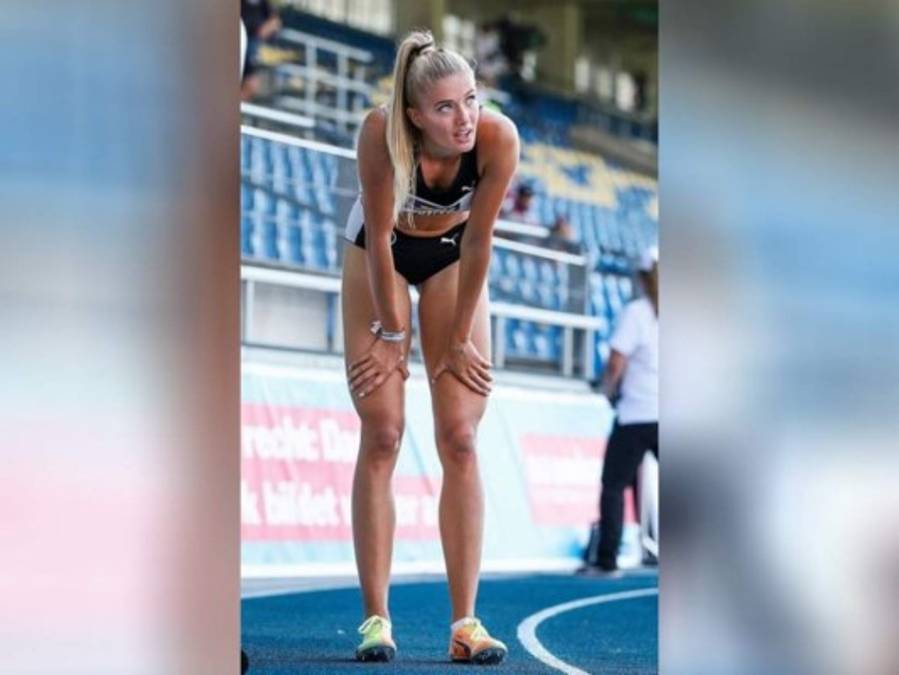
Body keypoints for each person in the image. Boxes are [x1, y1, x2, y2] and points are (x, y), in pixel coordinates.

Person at [341, 30, 519, 665]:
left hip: (451, 260)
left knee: (461, 437)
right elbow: (380, 240)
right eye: (446, 108)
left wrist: (460, 337)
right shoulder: (379, 132)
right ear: (415, 116)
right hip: (379, 255)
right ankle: (375, 620)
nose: (464, 117)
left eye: (471, 99)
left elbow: (479, 243)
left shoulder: (497, 138)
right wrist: (394, 333)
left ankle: (465, 624)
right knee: (383, 432)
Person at [593, 246, 659, 572]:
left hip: (636, 413)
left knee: (614, 485)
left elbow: (616, 361)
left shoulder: (637, 313)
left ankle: (608, 560)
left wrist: (607, 390)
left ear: (643, 277)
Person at [240, 0, 281, 101]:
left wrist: (262, 33)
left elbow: (275, 22)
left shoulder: (265, 5)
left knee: (251, 84)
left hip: (252, 45)